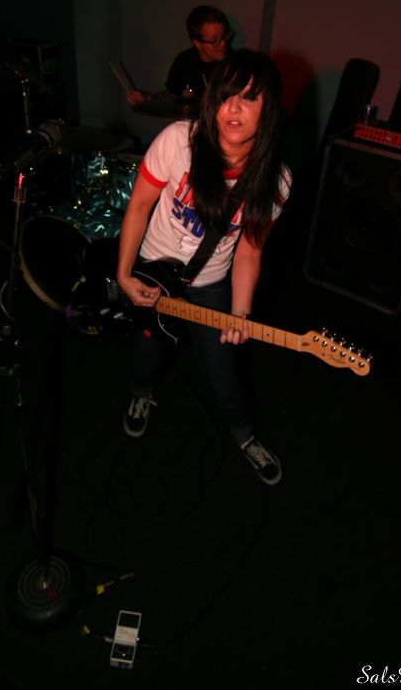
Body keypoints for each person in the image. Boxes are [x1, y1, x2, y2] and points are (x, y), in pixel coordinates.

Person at [117, 48, 292, 486]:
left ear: (268, 108)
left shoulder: (276, 180)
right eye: (226, 94)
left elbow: (249, 251)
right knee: (146, 355)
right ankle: (141, 394)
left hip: (209, 286)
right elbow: (138, 206)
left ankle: (244, 435)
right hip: (152, 271)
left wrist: (240, 311)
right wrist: (124, 273)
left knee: (224, 378)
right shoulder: (178, 140)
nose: (233, 107)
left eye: (248, 97)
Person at [125, 5, 235, 107]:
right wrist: (147, 98)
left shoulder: (235, 62)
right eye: (215, 41)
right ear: (197, 43)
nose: (223, 43)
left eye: (224, 36)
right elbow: (172, 94)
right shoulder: (184, 61)